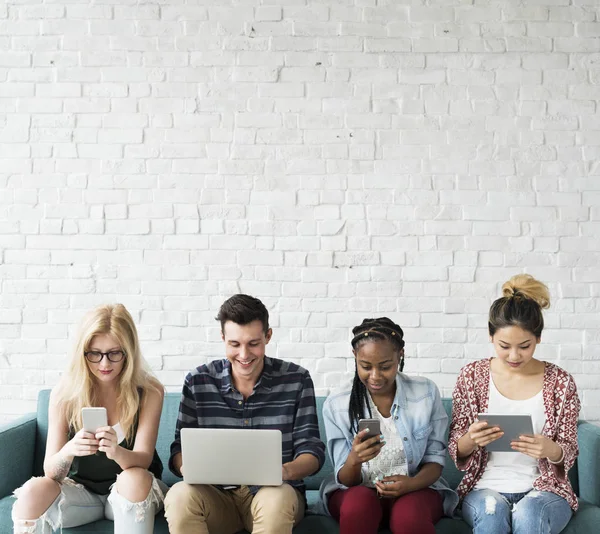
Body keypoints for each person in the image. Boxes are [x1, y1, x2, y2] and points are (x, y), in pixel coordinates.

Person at [164, 294, 325, 534]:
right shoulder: (198, 381)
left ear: (268, 336)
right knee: (179, 495)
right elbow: (179, 451)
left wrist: (284, 472)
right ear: (223, 339)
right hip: (216, 497)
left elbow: (312, 451)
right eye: (235, 344)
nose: (244, 355)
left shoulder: (297, 379)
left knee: (276, 498)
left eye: (253, 343)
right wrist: (188, 468)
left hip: (274, 495)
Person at [11, 304, 166, 534]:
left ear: (129, 352)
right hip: (81, 494)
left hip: (132, 491)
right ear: (83, 353)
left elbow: (143, 460)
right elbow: (50, 471)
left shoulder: (149, 390)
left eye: (115, 353)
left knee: (133, 478)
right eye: (95, 354)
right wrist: (70, 450)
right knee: (33, 490)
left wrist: (116, 451)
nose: (104, 364)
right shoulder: (64, 394)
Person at [448, 274, 581, 534]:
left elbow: (570, 449)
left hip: (545, 489)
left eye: (524, 346)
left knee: (530, 514)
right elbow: (455, 445)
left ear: (538, 338)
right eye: (504, 346)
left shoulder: (561, 382)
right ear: (490, 336)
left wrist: (551, 449)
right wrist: (470, 439)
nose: (514, 355)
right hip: (484, 487)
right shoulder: (471, 377)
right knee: (491, 515)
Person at [318, 317, 458, 534]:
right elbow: (344, 479)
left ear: (400, 355)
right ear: (355, 357)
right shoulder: (337, 403)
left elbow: (435, 460)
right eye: (365, 366)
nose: (375, 376)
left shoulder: (425, 393)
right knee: (358, 507)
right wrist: (354, 459)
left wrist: (410, 485)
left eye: (385, 366)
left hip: (415, 488)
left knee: (409, 518)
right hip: (356, 490)